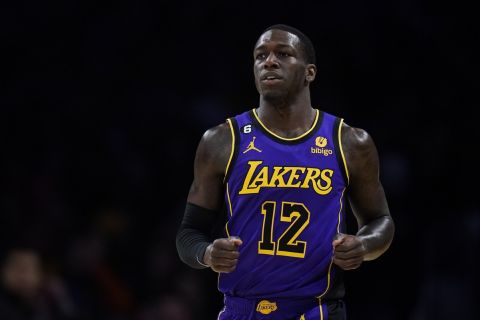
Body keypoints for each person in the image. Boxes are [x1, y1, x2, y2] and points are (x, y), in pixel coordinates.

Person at [176, 24, 394, 320]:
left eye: (283, 53)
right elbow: (189, 234)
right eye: (260, 55)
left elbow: (381, 221)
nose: (269, 61)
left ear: (310, 73)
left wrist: (363, 244)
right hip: (243, 308)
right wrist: (208, 254)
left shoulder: (350, 142)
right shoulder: (221, 140)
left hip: (315, 309)